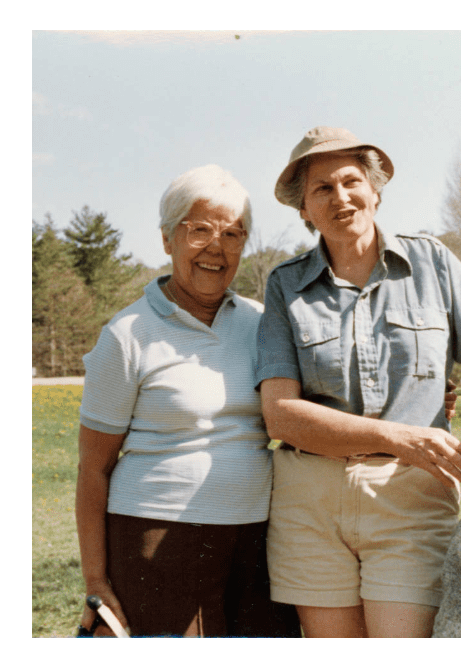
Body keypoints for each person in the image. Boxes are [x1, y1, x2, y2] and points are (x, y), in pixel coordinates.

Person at [256, 126, 461, 639]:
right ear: (304, 209)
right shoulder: (285, 286)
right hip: (309, 504)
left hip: (408, 496)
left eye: (351, 181)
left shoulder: (432, 262)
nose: (340, 197)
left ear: (376, 190)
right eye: (321, 188)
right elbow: (280, 414)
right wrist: (397, 436)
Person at [74, 164, 302, 637]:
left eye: (234, 233)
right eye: (199, 230)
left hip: (258, 542)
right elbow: (93, 468)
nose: (216, 248)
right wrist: (96, 580)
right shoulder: (127, 335)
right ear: (166, 238)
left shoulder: (263, 325)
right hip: (157, 540)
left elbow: (312, 403)